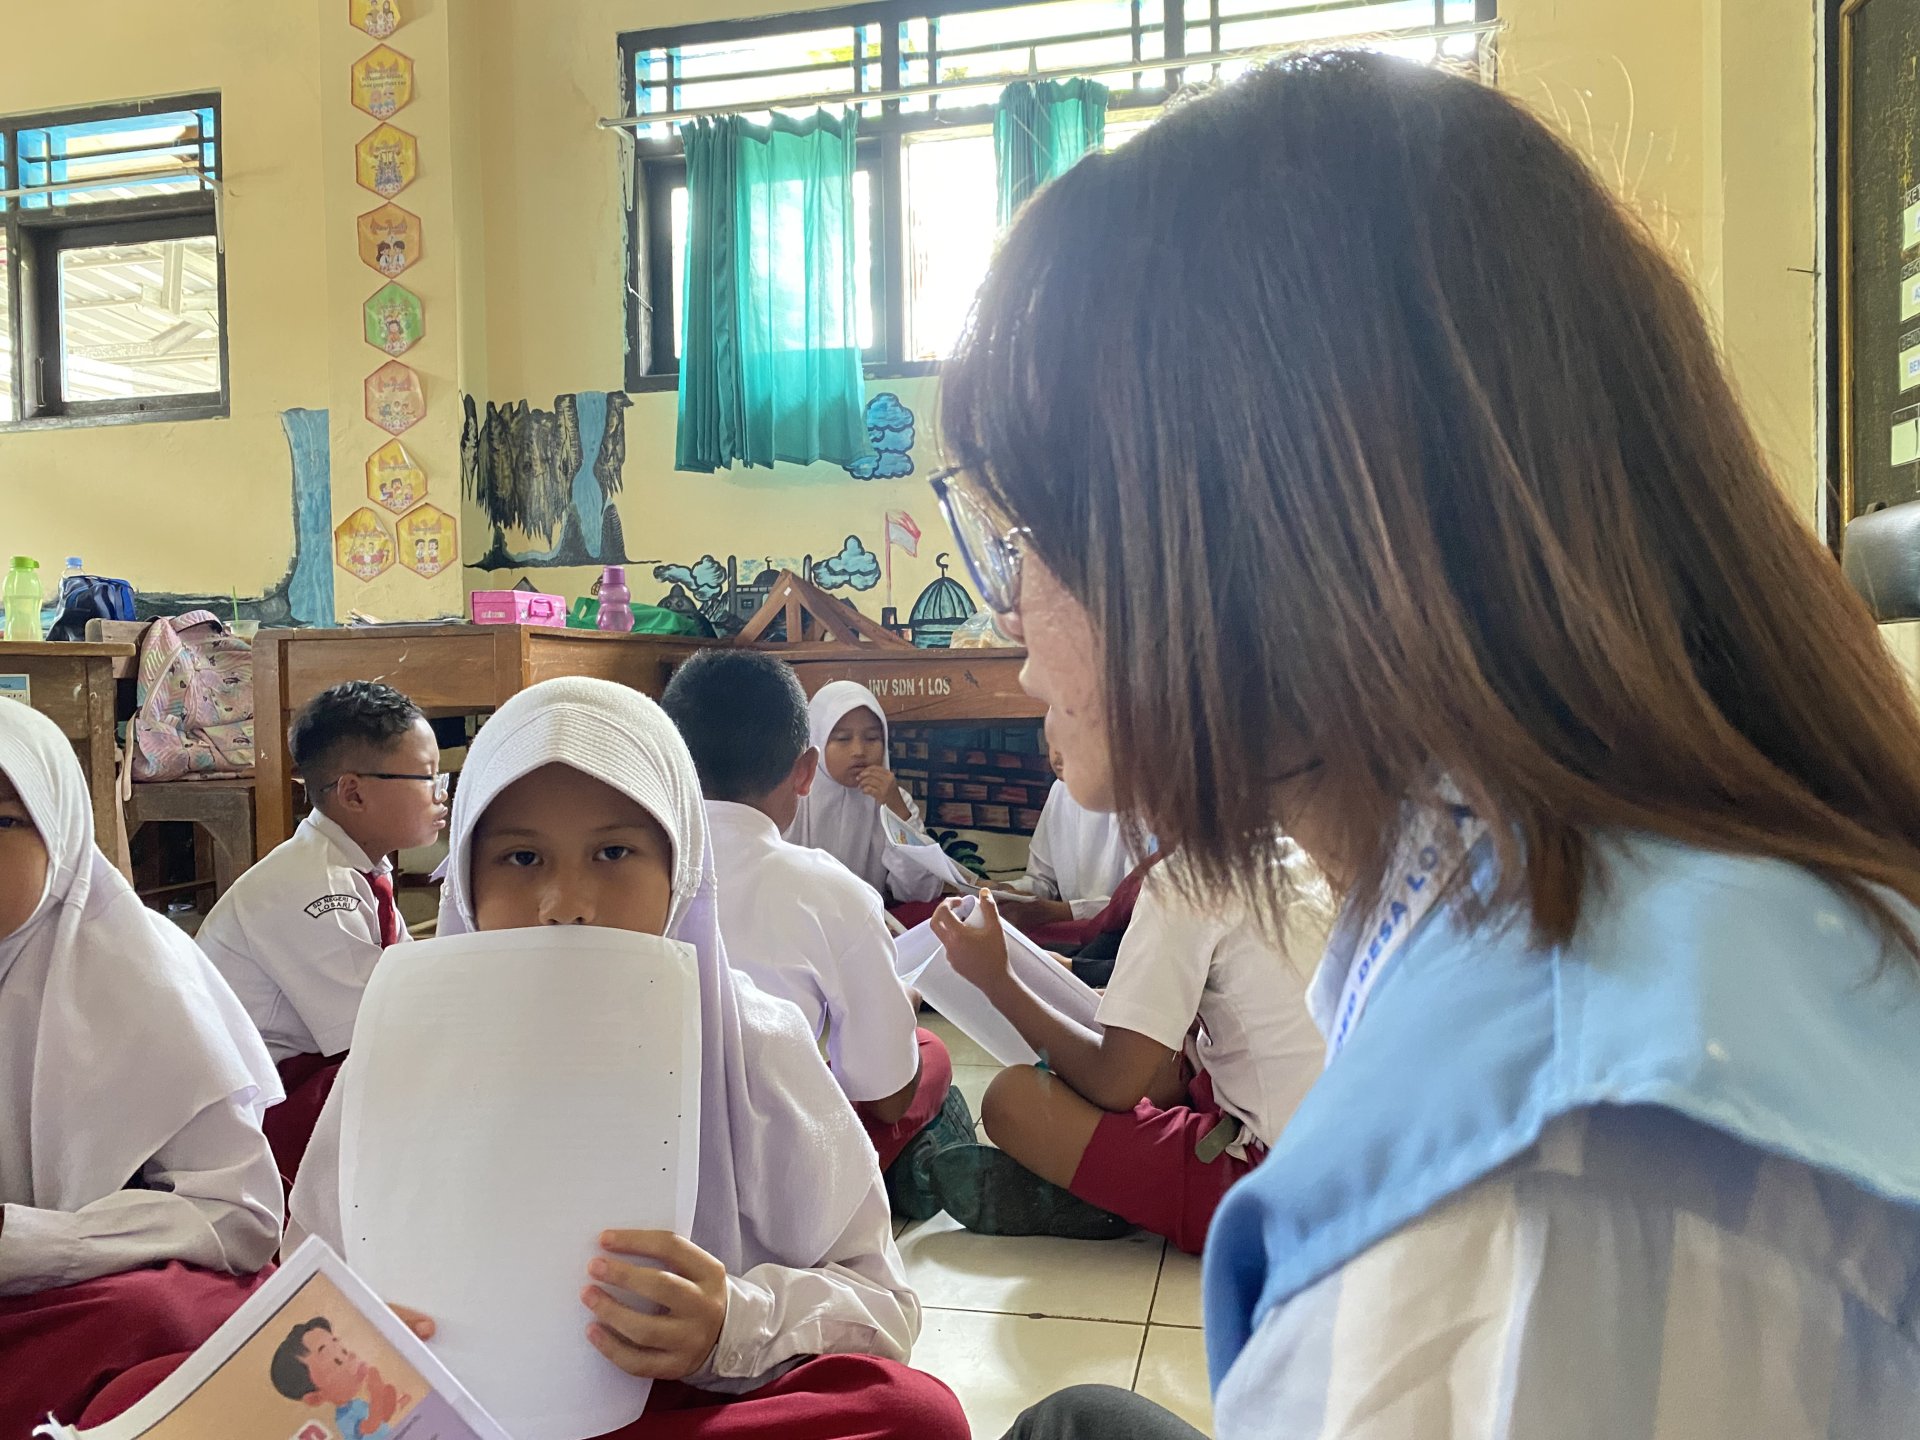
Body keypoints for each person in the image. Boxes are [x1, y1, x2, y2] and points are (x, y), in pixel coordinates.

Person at [933, 48, 1920, 1440]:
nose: (1010, 615)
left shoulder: (1543, 1206)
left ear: (1234, 544)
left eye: (1021, 539)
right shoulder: (1651, 877)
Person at [289, 677, 969, 1440]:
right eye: (519, 857)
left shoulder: (757, 1045)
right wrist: (358, 1336)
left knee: (914, 1415)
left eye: (614, 851)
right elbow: (303, 1290)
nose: (566, 902)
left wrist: (728, 1324)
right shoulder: (401, 1049)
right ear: (467, 878)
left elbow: (882, 1308)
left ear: (679, 870)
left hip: (686, 1409)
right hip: (449, 1418)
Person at [0, 701, 284, 1435]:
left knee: (156, 1320)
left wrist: (43, 1246)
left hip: (78, 1294)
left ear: (60, 833)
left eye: (4, 824)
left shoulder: (135, 968)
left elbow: (242, 1217)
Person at [660, 650, 973, 1218]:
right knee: (930, 1056)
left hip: (648, 1162)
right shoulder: (829, 890)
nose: (858, 751)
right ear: (806, 770)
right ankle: (919, 1163)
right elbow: (884, 1097)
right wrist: (905, 1001)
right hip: (777, 1188)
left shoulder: (625, 874)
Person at [928, 854, 1328, 1251]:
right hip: (1350, 1160)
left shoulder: (1188, 877)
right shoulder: (1298, 848)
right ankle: (1103, 1186)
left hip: (1280, 1192)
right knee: (1149, 1059)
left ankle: (1101, 1196)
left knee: (1012, 1100)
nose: (1061, 784)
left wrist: (997, 980)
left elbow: (1113, 1084)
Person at [197, 681, 446, 1188]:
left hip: (304, 1078)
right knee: (422, 1085)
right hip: (253, 1117)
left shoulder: (358, 868)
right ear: (353, 792)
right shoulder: (311, 887)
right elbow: (376, 1035)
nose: (441, 793)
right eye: (426, 777)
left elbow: (412, 984)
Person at [783, 681, 944, 905]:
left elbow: (921, 891)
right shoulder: (790, 797)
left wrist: (897, 814)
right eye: (842, 739)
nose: (859, 751)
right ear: (815, 740)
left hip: (869, 927)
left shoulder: (894, 800)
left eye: (871, 738)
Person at [995, 744, 1139, 933]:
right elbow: (1043, 881)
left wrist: (1059, 911)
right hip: (1075, 938)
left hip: (1120, 942)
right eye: (1051, 741)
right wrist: (1004, 890)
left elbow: (1136, 904)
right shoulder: (1060, 790)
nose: (1055, 755)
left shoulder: (1143, 795)